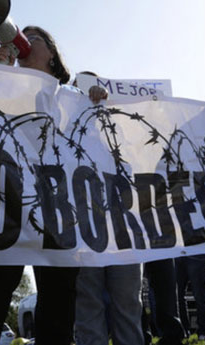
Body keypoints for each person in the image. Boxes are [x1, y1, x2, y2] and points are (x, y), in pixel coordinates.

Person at [0, 26, 84, 345]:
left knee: (59, 292)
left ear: (52, 55)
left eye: (35, 38)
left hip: (58, 199)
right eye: (21, 36)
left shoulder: (72, 99)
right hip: (6, 196)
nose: (24, 39)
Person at [70, 72, 144, 345]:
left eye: (91, 84)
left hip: (121, 226)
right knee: (87, 303)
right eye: (79, 86)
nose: (87, 91)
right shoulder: (65, 123)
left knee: (127, 301)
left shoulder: (119, 123)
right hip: (83, 225)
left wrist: (109, 112)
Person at [176, 254, 205, 338]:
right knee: (178, 295)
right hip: (178, 252)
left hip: (196, 251)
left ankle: (204, 331)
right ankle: (183, 331)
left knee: (199, 294)